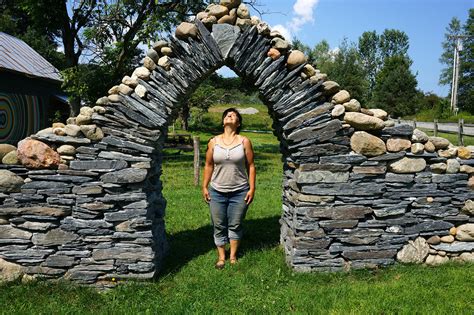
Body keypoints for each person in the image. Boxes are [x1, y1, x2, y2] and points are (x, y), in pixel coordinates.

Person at [202, 108, 256, 269]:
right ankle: (221, 257)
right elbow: (208, 165)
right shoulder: (213, 142)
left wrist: (252, 188)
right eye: (226, 115)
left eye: (233, 115)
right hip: (216, 190)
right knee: (218, 224)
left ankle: (232, 256)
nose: (229, 116)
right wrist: (204, 186)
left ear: (238, 123)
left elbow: (251, 166)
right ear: (222, 121)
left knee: (235, 223)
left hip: (240, 190)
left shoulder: (244, 141)